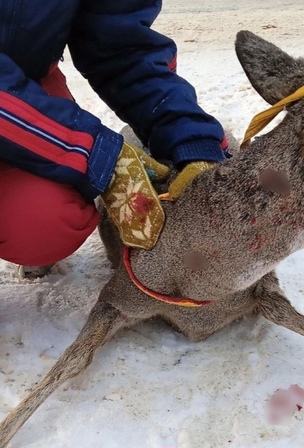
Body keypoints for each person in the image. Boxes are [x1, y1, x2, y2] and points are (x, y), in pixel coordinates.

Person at [0, 0, 229, 278]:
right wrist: (90, 150)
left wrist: (192, 138)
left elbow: (122, 48)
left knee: (45, 220)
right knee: (81, 163)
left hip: (28, 89)